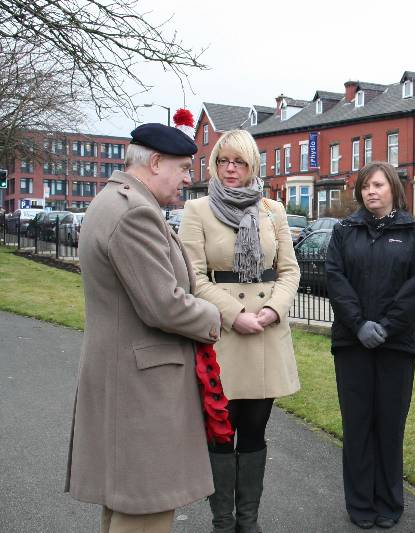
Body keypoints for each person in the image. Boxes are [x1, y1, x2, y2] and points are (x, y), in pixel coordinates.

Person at [65, 123, 222, 533]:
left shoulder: (115, 201)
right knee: (145, 510)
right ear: (155, 162)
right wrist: (213, 318)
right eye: (184, 167)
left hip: (124, 378)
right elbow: (163, 304)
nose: (189, 178)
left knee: (125, 506)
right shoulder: (135, 211)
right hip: (140, 388)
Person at [179, 129, 300, 533]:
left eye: (240, 162)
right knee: (220, 430)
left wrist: (271, 310)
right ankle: (222, 523)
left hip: (265, 333)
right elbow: (193, 277)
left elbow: (288, 270)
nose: (231, 169)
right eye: (224, 161)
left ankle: (248, 522)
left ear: (253, 167)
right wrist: (235, 314)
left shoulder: (273, 211)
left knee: (254, 431)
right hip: (222, 333)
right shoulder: (196, 210)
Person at [325, 161, 415, 530]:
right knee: (357, 425)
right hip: (352, 344)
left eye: (379, 185)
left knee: (389, 425)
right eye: (366, 186)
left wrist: (386, 327)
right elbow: (335, 278)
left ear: (394, 190)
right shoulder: (344, 231)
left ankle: (388, 500)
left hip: (394, 346)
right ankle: (360, 504)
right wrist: (358, 324)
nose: (372, 191)